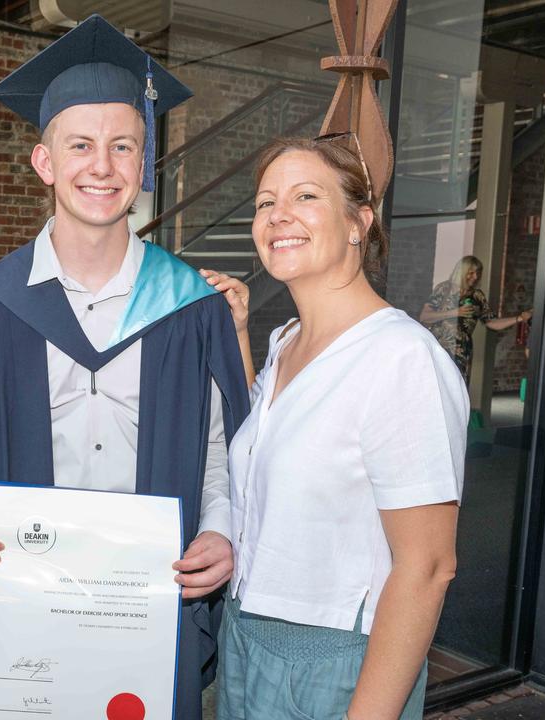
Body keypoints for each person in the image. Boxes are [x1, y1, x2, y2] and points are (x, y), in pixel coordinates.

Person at [0, 15, 250, 719]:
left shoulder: (189, 306)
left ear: (144, 165)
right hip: (28, 598)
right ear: (44, 162)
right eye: (80, 146)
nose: (102, 167)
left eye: (123, 146)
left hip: (149, 603)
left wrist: (222, 527)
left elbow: (217, 448)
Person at [201, 136, 467, 720]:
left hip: (330, 657)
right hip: (245, 633)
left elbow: (427, 567)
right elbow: (275, 441)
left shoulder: (401, 360)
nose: (278, 216)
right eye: (266, 202)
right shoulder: (286, 342)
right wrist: (240, 333)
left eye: (305, 196)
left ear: (358, 222)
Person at [419, 255, 532, 382]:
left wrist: (519, 318)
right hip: (439, 349)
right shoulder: (444, 289)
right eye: (471, 273)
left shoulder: (477, 296)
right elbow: (425, 316)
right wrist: (455, 312)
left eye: (478, 273)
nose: (475, 277)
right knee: (436, 386)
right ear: (461, 272)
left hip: (462, 353)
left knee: (458, 390)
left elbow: (491, 322)